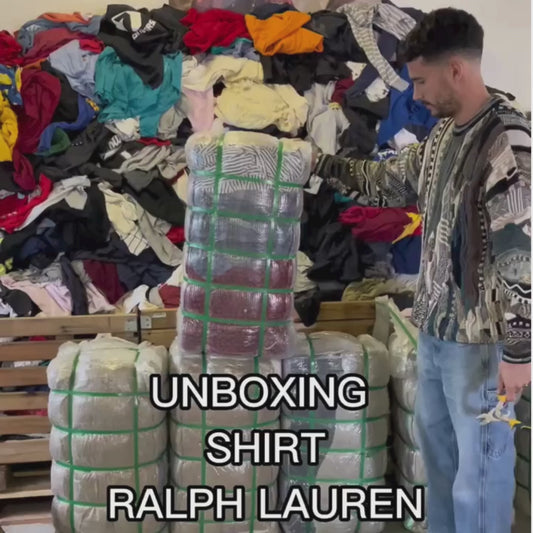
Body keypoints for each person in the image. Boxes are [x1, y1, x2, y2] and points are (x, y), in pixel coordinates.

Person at [312, 8, 531, 533]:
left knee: (480, 475)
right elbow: (389, 181)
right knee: (441, 470)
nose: (416, 95)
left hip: (482, 345)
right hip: (436, 333)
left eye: (421, 81)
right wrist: (317, 164)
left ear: (456, 69)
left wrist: (520, 351)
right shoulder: (443, 135)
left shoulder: (507, 140)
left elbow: (522, 250)